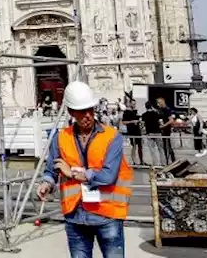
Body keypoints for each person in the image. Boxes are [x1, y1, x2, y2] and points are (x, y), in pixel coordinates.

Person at [38, 81, 132, 258]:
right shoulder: (60, 138)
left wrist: (72, 173)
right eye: (82, 111)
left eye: (91, 109)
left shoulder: (113, 137)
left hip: (106, 214)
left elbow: (108, 176)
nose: (88, 115)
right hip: (75, 215)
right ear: (71, 112)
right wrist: (46, 183)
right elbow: (52, 169)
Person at [119, 98, 144, 166]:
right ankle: (134, 161)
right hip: (132, 131)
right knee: (134, 146)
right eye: (133, 103)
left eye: (135, 104)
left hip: (137, 131)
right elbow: (123, 122)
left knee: (140, 146)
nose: (134, 105)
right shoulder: (126, 112)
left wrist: (139, 121)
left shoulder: (135, 111)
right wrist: (132, 121)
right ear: (129, 103)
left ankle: (141, 161)